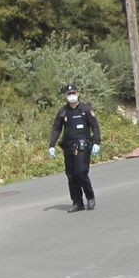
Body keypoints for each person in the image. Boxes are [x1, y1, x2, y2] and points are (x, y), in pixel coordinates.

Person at [48, 83, 100, 212]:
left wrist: (96, 142)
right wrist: (52, 145)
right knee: (71, 175)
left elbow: (95, 126)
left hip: (83, 144)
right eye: (69, 94)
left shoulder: (85, 110)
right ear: (65, 96)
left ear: (78, 94)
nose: (71, 96)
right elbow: (56, 128)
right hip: (68, 146)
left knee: (80, 172)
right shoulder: (63, 111)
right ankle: (77, 202)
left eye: (73, 93)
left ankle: (90, 196)